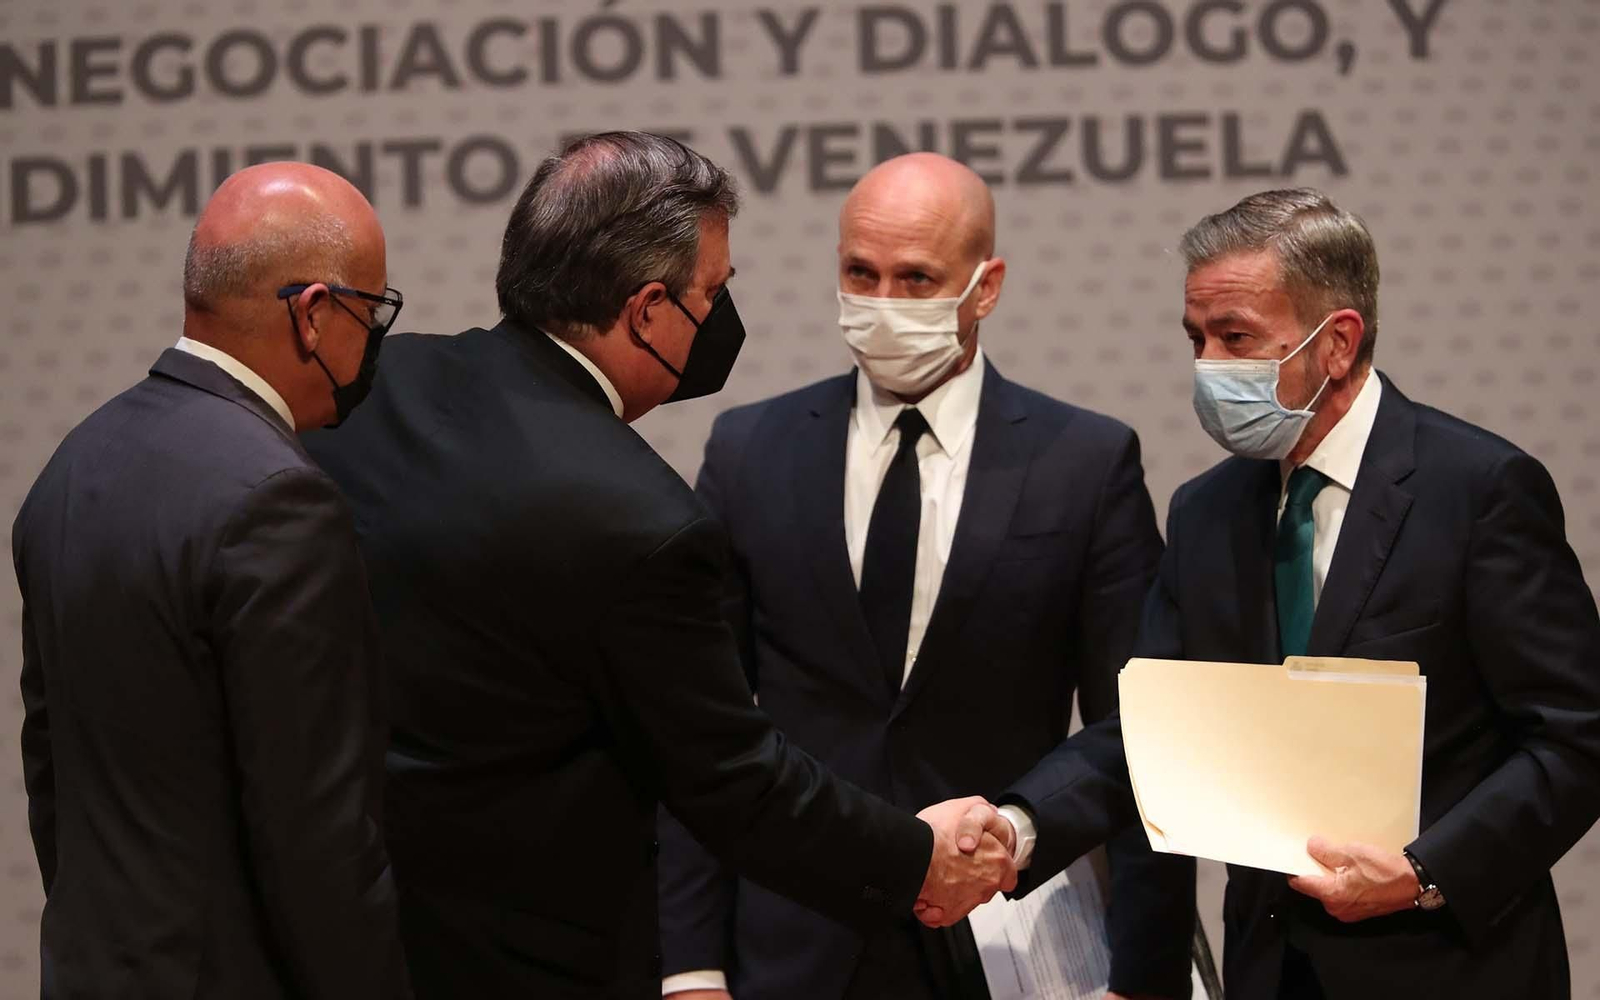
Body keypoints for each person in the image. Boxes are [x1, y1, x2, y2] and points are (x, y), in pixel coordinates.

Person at [301, 131, 1017, 1000]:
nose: (723, 317)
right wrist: (917, 860)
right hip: (536, 959)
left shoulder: (372, 388)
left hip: (344, 931)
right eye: (712, 293)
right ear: (647, 311)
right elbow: (733, 779)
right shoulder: (642, 521)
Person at [1002, 188, 1600, 999]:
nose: (1209, 365)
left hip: (1450, 966)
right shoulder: (1206, 512)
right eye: (1197, 338)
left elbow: (1577, 740)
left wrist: (1425, 871)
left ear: (1338, 343)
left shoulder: (1481, 490)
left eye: (1236, 337)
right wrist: (1017, 824)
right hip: (1269, 970)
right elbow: (1148, 736)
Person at [656, 152, 1194, 1000]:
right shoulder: (751, 451)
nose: (885, 303)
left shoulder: (1083, 463)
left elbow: (1146, 730)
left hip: (1008, 942)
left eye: (917, 279)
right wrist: (688, 966)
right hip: (793, 945)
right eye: (860, 274)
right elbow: (691, 721)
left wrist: (1146, 974)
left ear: (985, 287)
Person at [12, 162, 410, 999]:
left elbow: (51, 768)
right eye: (371, 311)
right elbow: (317, 833)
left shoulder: (76, 462)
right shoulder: (279, 499)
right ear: (313, 315)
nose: (373, 337)